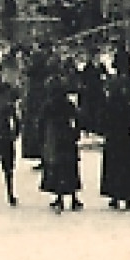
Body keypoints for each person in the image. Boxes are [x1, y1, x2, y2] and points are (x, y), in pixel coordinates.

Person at [99, 76, 130, 210]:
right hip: (125, 138)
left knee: (114, 168)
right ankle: (127, 196)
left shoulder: (109, 105)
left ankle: (115, 195)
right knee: (127, 168)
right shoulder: (127, 104)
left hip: (113, 139)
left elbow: (103, 120)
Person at [39, 79, 84, 211]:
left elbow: (41, 123)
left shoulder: (49, 105)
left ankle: (59, 197)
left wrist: (42, 139)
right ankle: (74, 197)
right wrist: (76, 132)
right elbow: (77, 118)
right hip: (67, 137)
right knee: (71, 167)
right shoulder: (68, 104)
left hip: (54, 138)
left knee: (57, 168)